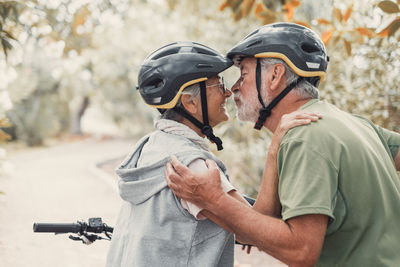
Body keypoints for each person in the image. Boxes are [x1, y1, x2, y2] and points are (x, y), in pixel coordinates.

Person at [165, 23, 400, 266]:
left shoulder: (304, 136)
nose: (234, 87)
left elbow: (301, 251)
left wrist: (215, 201)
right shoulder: (353, 123)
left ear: (275, 75)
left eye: (243, 74)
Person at [106, 41, 321, 267]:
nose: (228, 92)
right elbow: (257, 225)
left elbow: (239, 222)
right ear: (189, 101)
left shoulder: (151, 147)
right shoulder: (191, 165)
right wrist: (275, 147)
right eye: (218, 84)